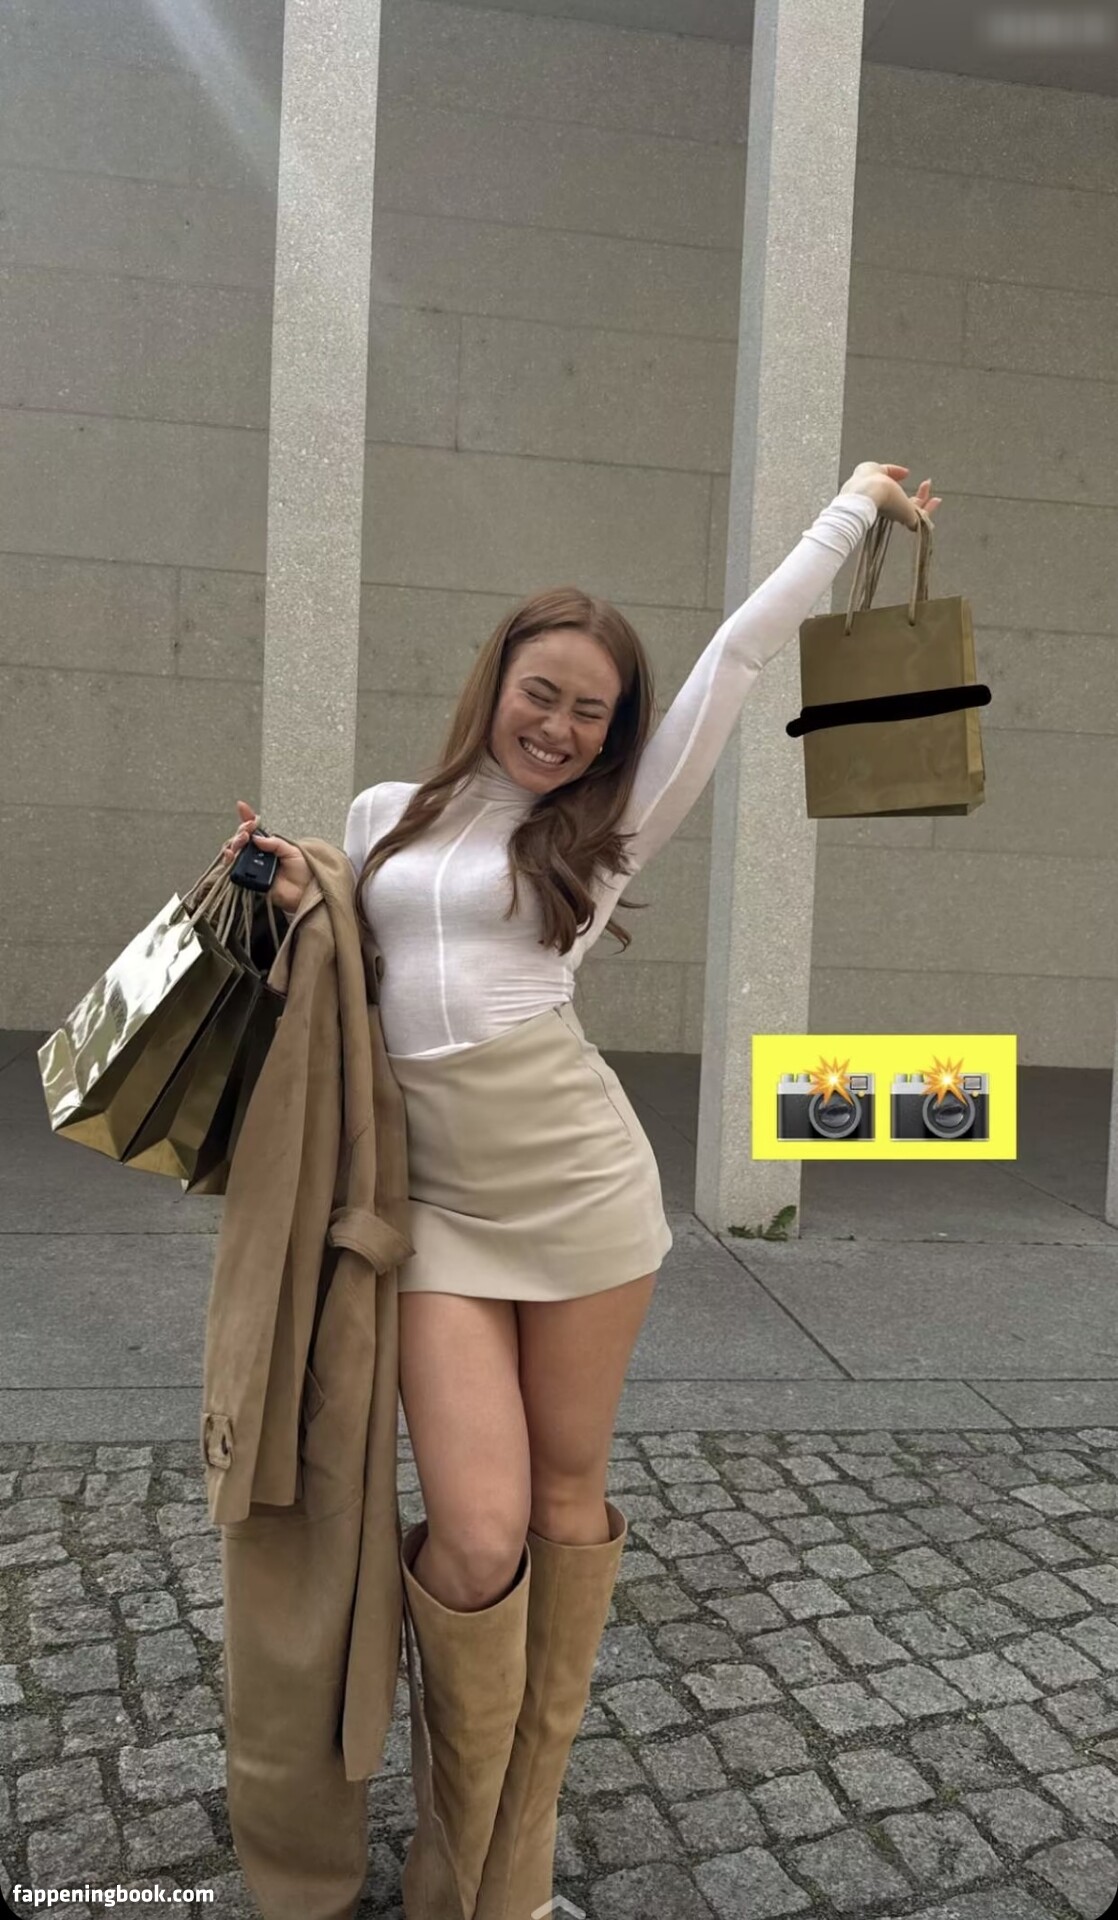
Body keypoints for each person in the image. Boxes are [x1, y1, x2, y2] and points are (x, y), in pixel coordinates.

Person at [221, 460, 941, 1918]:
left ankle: (495, 1875)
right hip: (436, 1217)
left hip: (582, 1198)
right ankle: (464, 1840)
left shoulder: (605, 830)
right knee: (477, 1534)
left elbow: (739, 654)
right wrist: (292, 897)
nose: (558, 726)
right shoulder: (383, 813)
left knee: (562, 1508)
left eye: (590, 711)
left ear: (615, 732)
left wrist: (853, 506)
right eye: (539, 693)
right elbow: (350, 985)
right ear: (496, 683)